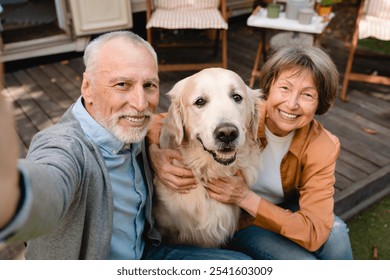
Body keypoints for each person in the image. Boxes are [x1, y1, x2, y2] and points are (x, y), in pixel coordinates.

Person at [0, 31, 251, 260]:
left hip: (147, 251)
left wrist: (154, 151)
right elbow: (52, 180)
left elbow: (163, 123)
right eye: (123, 84)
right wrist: (15, 194)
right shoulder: (64, 145)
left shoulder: (129, 129)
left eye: (149, 85)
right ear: (87, 87)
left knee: (242, 266)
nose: (141, 104)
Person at [148, 45, 354, 259]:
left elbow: (314, 231)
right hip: (244, 222)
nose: (291, 104)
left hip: (276, 210)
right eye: (285, 88)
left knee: (336, 235)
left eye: (307, 94)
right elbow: (161, 120)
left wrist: (245, 197)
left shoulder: (323, 146)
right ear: (269, 87)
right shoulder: (252, 111)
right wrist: (155, 152)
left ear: (320, 102)